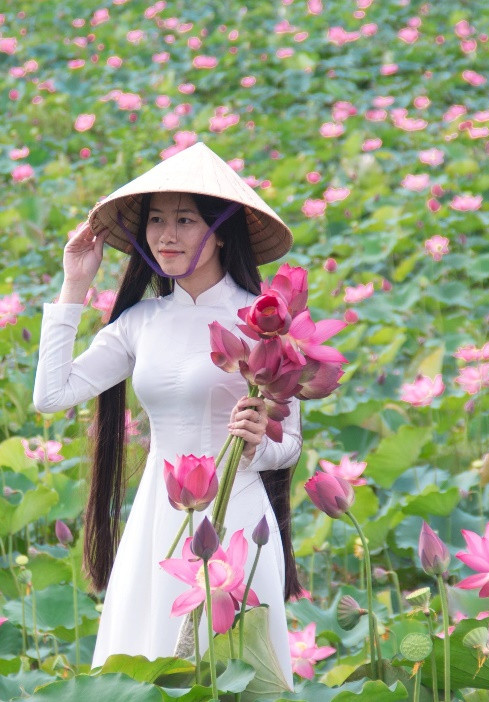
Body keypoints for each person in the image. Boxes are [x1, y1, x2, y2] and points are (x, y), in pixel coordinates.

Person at [32, 142, 301, 682]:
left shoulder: (263, 319)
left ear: (221, 229)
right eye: (156, 220)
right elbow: (51, 394)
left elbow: (287, 443)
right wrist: (74, 285)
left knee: (237, 676)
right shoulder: (142, 322)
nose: (166, 235)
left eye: (184, 219)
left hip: (239, 512)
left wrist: (258, 444)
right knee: (152, 667)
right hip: (162, 515)